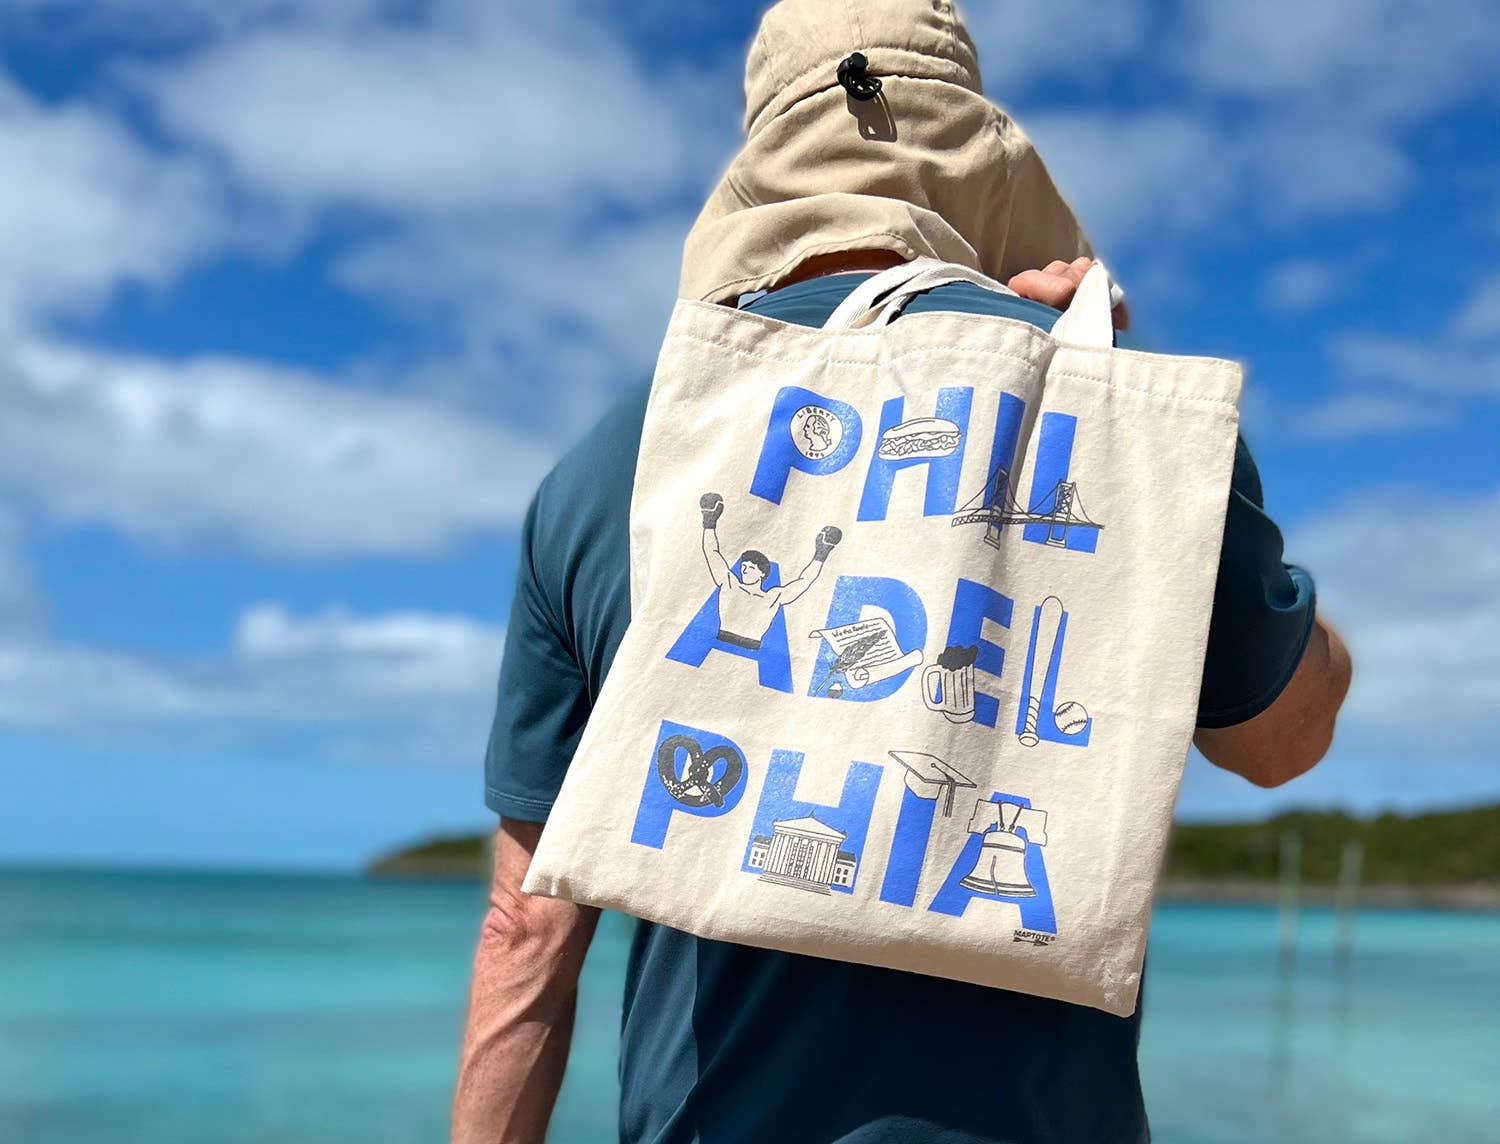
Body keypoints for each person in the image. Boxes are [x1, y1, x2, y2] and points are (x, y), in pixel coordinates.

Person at [452, 4, 1352, 1143]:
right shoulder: (1093, 403)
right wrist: (1126, 423)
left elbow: (524, 933)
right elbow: (1283, 740)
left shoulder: (603, 475)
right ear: (975, 170)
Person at [699, 492, 841, 650]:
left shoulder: (773, 596)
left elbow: (804, 582)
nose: (745, 571)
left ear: (762, 573)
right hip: (721, 641)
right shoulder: (730, 584)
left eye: (751, 568)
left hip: (752, 648)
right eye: (743, 566)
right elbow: (712, 553)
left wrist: (821, 553)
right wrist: (709, 522)